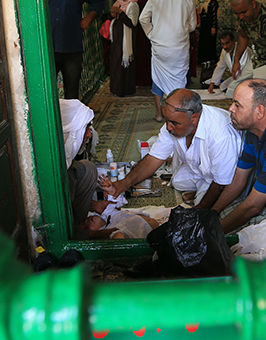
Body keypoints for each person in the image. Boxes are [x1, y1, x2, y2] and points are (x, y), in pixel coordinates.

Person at [101, 88, 241, 208]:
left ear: (194, 118)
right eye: (166, 120)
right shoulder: (176, 122)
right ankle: (200, 188)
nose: (168, 127)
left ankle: (201, 193)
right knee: (177, 181)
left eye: (174, 123)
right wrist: (122, 184)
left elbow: (220, 183)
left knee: (203, 208)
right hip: (201, 171)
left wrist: (200, 209)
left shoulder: (221, 134)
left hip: (221, 179)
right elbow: (154, 158)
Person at [211, 79, 266, 234]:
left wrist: (213, 232)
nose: (230, 108)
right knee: (215, 217)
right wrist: (212, 213)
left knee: (221, 235)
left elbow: (253, 207)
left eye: (237, 105)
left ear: (259, 111)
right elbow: (238, 180)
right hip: (261, 201)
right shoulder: (254, 130)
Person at [45, 0, 107, 100]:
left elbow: (100, 1)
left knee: (72, 94)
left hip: (72, 49)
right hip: (46, 48)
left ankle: (71, 118)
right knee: (46, 94)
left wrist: (87, 19)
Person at [139, 0, 198, 122]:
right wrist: (181, 31)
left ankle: (160, 114)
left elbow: (143, 18)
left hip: (160, 47)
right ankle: (178, 115)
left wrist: (152, 35)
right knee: (179, 79)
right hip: (179, 47)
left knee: (158, 78)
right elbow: (193, 24)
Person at [59, 99, 108, 237]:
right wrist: (107, 234)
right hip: (56, 218)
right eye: (85, 129)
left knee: (87, 168)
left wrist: (94, 205)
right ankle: (75, 234)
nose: (89, 134)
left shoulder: (65, 153)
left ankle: (78, 223)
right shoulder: (55, 167)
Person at [109, 0, 138, 97]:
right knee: (116, 63)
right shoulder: (119, 3)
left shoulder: (133, 5)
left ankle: (125, 89)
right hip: (117, 40)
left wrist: (120, 13)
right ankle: (116, 88)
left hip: (126, 40)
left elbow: (132, 23)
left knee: (124, 65)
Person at [207, 29, 254, 98]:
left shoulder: (244, 50)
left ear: (233, 41)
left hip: (246, 77)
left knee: (231, 89)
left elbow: (241, 72)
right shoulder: (224, 51)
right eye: (223, 44)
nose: (225, 47)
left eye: (227, 43)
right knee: (223, 86)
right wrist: (212, 83)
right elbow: (220, 67)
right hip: (235, 77)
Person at [81, 210, 161, 239]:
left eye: (84, 220)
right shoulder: (111, 231)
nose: (86, 222)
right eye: (86, 228)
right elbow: (118, 240)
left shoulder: (109, 215)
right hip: (157, 235)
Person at [135, 0, 155, 86]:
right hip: (151, 32)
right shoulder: (153, 3)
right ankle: (150, 79)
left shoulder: (138, 3)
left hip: (140, 33)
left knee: (141, 56)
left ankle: (141, 79)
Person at [197, 0, 219, 67]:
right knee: (204, 42)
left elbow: (214, 15)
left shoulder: (213, 2)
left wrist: (213, 27)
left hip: (209, 26)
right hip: (205, 26)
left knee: (209, 43)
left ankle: (210, 61)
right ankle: (203, 60)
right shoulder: (207, 2)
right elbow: (204, 14)